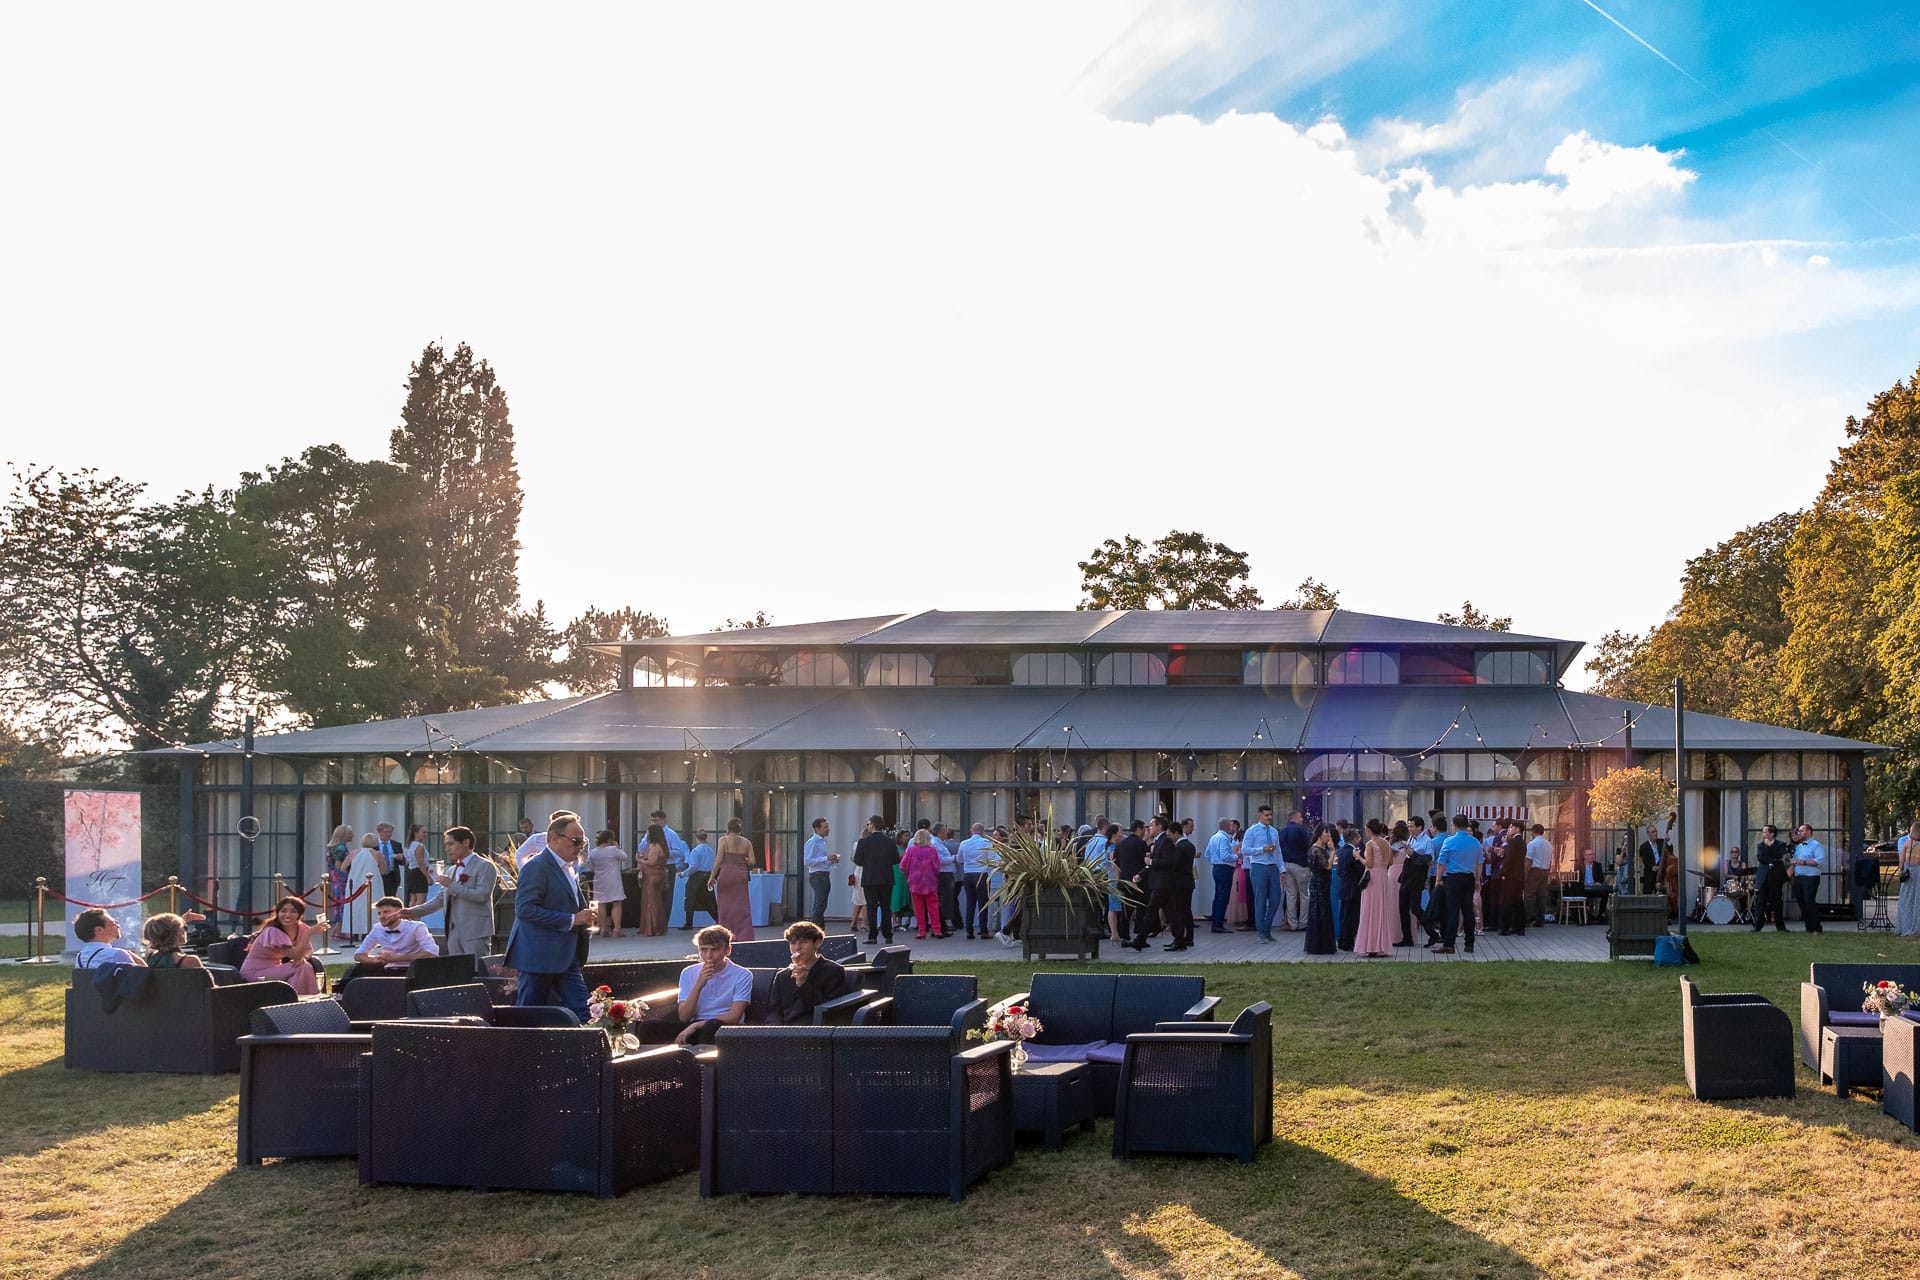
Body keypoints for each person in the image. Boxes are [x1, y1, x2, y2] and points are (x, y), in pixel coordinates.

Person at [503, 815, 596, 1019]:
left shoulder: (569, 868)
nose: (580, 846)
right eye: (576, 841)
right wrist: (572, 919)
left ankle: (592, 1048)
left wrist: (582, 919)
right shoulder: (537, 867)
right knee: (527, 1015)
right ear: (553, 838)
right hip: (539, 957)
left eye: (583, 842)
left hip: (566, 956)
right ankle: (514, 1049)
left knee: (587, 1011)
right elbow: (525, 910)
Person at [671, 925, 754, 1044]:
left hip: (723, 1027)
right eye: (704, 950)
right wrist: (699, 984)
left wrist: (697, 1025)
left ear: (727, 950)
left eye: (715, 950)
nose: (709, 956)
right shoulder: (688, 973)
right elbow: (684, 1017)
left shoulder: (742, 975)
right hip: (693, 1024)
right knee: (649, 1027)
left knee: (711, 1026)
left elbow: (734, 1016)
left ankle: (705, 1062)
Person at [340, 895, 440, 990]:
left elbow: (432, 953)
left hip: (413, 971)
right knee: (351, 981)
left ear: (399, 912)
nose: (382, 916)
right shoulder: (377, 928)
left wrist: (396, 958)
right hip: (387, 971)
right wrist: (376, 960)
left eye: (386, 912)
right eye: (379, 913)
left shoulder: (417, 927)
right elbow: (358, 955)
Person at [769, 920, 852, 1024]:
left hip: (813, 1030)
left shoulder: (832, 971)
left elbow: (829, 1008)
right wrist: (774, 1031)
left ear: (817, 943)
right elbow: (774, 1012)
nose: (797, 948)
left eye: (803, 942)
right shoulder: (783, 976)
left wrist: (803, 985)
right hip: (784, 1032)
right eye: (793, 943)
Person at [434, 825, 496, 956]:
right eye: (445, 845)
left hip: (475, 932)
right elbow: (439, 900)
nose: (447, 849)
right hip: (453, 933)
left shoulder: (485, 866)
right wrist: (408, 912)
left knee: (477, 972)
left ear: (466, 842)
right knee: (457, 974)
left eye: (450, 844)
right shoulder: (451, 870)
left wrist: (452, 885)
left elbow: (482, 895)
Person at [240, 896, 320, 995]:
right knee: (301, 967)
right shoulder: (273, 931)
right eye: (283, 911)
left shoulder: (300, 928)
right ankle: (300, 1001)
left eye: (293, 911)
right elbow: (295, 955)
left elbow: (309, 950)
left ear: (300, 915)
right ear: (277, 913)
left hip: (275, 970)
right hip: (256, 975)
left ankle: (300, 1001)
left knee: (302, 966)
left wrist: (303, 958)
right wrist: (309, 933)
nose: (287, 915)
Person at [1431, 815, 1482, 955]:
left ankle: (1449, 944)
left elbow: (1441, 862)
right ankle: (1469, 944)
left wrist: (1438, 879)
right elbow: (1479, 863)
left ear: (1455, 826)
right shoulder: (1475, 842)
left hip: (1453, 879)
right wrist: (1477, 880)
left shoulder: (1449, 841)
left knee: (1452, 912)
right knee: (1468, 911)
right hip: (1469, 878)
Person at [1130, 816, 1182, 952]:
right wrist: (1140, 875)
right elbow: (1151, 863)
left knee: (1151, 910)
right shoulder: (1158, 841)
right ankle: (1179, 940)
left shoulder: (1166, 841)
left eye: (1152, 825)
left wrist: (1152, 863)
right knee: (1171, 912)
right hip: (1160, 883)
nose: (1149, 828)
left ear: (1160, 826)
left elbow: (1169, 862)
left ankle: (1140, 940)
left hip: (1162, 883)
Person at [1354, 819, 1399, 958]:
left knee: (1370, 910)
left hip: (1372, 878)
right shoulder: (1386, 842)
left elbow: (1369, 863)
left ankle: (1371, 944)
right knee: (1381, 910)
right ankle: (1382, 944)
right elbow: (1391, 861)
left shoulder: (1370, 844)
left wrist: (1358, 857)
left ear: (1368, 830)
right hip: (1383, 877)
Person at [852, 815, 899, 945]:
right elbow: (896, 859)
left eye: (868, 824)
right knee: (886, 907)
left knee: (871, 907)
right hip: (886, 878)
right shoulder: (890, 841)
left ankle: (872, 935)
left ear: (872, 825)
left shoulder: (864, 842)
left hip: (870, 879)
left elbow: (858, 860)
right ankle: (888, 935)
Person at [709, 818, 757, 941]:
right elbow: (752, 861)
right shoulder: (747, 842)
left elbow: (719, 860)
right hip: (741, 875)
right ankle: (744, 935)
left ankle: (726, 934)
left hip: (726, 874)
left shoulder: (723, 840)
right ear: (740, 830)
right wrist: (742, 860)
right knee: (742, 906)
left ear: (728, 829)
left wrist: (712, 876)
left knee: (725, 907)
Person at [1242, 806, 1282, 943]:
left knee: (1276, 899)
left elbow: (1278, 852)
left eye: (1270, 814)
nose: (1269, 817)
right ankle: (1261, 932)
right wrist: (1262, 849)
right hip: (1258, 866)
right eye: (1266, 815)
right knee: (1260, 900)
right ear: (1260, 816)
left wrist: (1282, 869)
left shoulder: (1274, 831)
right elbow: (1245, 850)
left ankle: (1266, 928)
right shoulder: (1251, 831)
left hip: (1273, 867)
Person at [900, 828, 944, 939]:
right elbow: (937, 867)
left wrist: (908, 874)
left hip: (915, 882)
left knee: (918, 908)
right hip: (930, 882)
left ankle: (921, 931)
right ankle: (936, 929)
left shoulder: (911, 850)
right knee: (933, 907)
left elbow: (903, 865)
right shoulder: (932, 851)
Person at [587, 829, 629, 938]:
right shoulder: (613, 849)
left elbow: (591, 868)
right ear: (610, 839)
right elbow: (625, 857)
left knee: (601, 904)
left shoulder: (593, 852)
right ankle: (617, 929)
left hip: (599, 879)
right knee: (616, 902)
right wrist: (618, 846)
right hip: (613, 879)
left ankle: (603, 928)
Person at [1397, 817, 1431, 946]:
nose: (1409, 829)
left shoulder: (1427, 841)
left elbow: (1428, 860)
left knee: (1415, 908)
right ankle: (1407, 938)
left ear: (1420, 827)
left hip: (1417, 877)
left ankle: (1432, 932)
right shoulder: (1411, 838)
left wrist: (1413, 854)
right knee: (1402, 907)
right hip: (1406, 875)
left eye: (1412, 826)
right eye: (1409, 826)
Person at [343, 834, 385, 938]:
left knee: (355, 906)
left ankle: (355, 932)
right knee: (372, 905)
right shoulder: (377, 854)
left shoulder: (353, 853)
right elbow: (384, 871)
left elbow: (343, 867)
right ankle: (370, 930)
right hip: (373, 882)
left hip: (355, 883)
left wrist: (353, 873)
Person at [1303, 826, 1336, 955]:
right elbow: (1327, 866)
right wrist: (1333, 851)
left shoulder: (1322, 849)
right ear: (1319, 835)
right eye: (1326, 834)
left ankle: (1325, 943)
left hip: (1324, 883)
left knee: (1325, 911)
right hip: (1319, 883)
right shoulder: (1315, 850)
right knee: (1319, 912)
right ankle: (1318, 945)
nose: (1328, 837)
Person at [1278, 808, 1313, 933]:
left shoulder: (1282, 831)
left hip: (1286, 864)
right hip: (1301, 865)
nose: (1302, 819)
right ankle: (1303, 922)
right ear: (1294, 818)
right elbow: (1309, 844)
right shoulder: (1301, 830)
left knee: (1291, 895)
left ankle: (1292, 923)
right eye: (1300, 817)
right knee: (1304, 894)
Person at [74, 908, 144, 968]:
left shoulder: (80, 957)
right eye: (113, 923)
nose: (118, 926)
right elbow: (144, 976)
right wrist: (128, 954)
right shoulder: (117, 954)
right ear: (99, 930)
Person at [1752, 825, 1790, 931]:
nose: (1763, 834)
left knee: (1777, 901)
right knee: (1761, 901)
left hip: (1776, 876)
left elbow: (1779, 855)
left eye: (1765, 832)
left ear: (1771, 834)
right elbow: (1761, 858)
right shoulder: (1760, 845)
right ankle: (1758, 926)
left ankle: (1780, 926)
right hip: (1764, 876)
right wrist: (1773, 859)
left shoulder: (1781, 844)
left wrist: (1770, 847)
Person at [1204, 818, 1239, 934]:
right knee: (1223, 897)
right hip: (1224, 868)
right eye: (1230, 825)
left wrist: (1215, 860)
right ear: (1225, 826)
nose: (1232, 827)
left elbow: (1207, 854)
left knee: (1218, 896)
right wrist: (1237, 856)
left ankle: (1216, 921)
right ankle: (1218, 924)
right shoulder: (1224, 839)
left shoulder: (1214, 837)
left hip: (1217, 868)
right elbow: (1225, 856)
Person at [1790, 822, 1826, 932]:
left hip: (1810, 878)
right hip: (1798, 877)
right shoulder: (1799, 847)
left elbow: (1820, 861)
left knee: (1809, 901)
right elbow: (1796, 861)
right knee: (1801, 902)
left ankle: (1816, 928)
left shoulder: (1817, 845)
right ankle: (1808, 927)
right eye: (1799, 831)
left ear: (1809, 832)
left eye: (1801, 831)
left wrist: (1804, 862)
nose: (1799, 833)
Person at [1168, 818, 1198, 950]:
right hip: (1188, 881)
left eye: (1170, 834)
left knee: (1179, 911)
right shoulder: (1190, 845)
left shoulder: (1179, 847)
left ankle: (1180, 938)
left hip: (1179, 883)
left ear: (1176, 833)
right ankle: (1189, 937)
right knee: (1187, 910)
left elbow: (1175, 866)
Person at [1333, 830, 1365, 952]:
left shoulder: (1341, 851)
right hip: (1353, 888)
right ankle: (1348, 941)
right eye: (1358, 836)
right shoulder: (1353, 853)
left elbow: (1340, 870)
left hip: (1344, 886)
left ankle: (1342, 940)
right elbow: (1359, 869)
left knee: (1344, 915)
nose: (1360, 839)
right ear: (1353, 839)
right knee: (1351, 917)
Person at [802, 817, 838, 926]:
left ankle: (819, 929)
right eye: (825, 827)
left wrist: (831, 861)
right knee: (820, 904)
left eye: (828, 826)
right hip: (817, 876)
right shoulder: (812, 842)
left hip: (823, 875)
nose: (828, 829)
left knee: (821, 904)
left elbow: (819, 861)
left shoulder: (821, 842)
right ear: (817, 829)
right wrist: (826, 858)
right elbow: (807, 861)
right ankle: (814, 929)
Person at [636, 824, 670, 937]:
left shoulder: (654, 846)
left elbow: (651, 862)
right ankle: (659, 927)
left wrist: (639, 860)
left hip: (652, 875)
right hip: (659, 874)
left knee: (651, 901)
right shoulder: (663, 846)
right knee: (657, 900)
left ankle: (651, 928)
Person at [140, 913, 204, 970]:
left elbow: (161, 931)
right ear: (177, 934)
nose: (185, 930)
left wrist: (181, 921)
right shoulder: (189, 961)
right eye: (184, 928)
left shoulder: (149, 957)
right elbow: (207, 982)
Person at [681, 830, 716, 929]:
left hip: (697, 877)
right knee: (709, 900)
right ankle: (718, 918)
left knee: (690, 898)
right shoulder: (711, 850)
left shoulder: (696, 851)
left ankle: (688, 923)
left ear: (697, 839)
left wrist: (683, 873)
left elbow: (694, 867)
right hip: (708, 875)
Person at [324, 823, 354, 940]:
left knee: (339, 903)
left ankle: (338, 928)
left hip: (335, 878)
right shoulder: (341, 848)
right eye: (350, 833)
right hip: (341, 878)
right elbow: (340, 866)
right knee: (342, 902)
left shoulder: (332, 848)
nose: (352, 835)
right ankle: (338, 928)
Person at [1524, 823, 1553, 928]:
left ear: (1533, 832)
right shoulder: (1548, 844)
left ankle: (1526, 920)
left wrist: (1525, 874)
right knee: (1542, 896)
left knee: (1529, 896)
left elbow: (1528, 860)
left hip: (1534, 871)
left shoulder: (1532, 844)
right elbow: (1550, 861)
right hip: (1545, 870)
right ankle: (1540, 920)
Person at [1895, 819, 1920, 937]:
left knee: (1905, 900)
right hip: (1917, 873)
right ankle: (1915, 927)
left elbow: (1901, 862)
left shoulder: (1905, 844)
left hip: (1907, 872)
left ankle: (1903, 926)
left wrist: (1902, 869)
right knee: (1916, 900)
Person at [403, 823, 432, 907]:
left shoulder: (409, 845)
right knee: (421, 899)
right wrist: (427, 876)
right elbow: (420, 862)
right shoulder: (419, 846)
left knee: (413, 898)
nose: (425, 835)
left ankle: (410, 917)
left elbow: (407, 861)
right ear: (416, 833)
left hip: (411, 872)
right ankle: (416, 918)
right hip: (419, 873)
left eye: (426, 833)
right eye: (423, 832)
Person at [374, 822, 404, 901]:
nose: (388, 834)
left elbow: (403, 862)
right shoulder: (374, 845)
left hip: (392, 876)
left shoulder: (396, 845)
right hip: (378, 875)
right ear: (380, 832)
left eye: (390, 832)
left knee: (390, 899)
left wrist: (400, 858)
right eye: (386, 832)